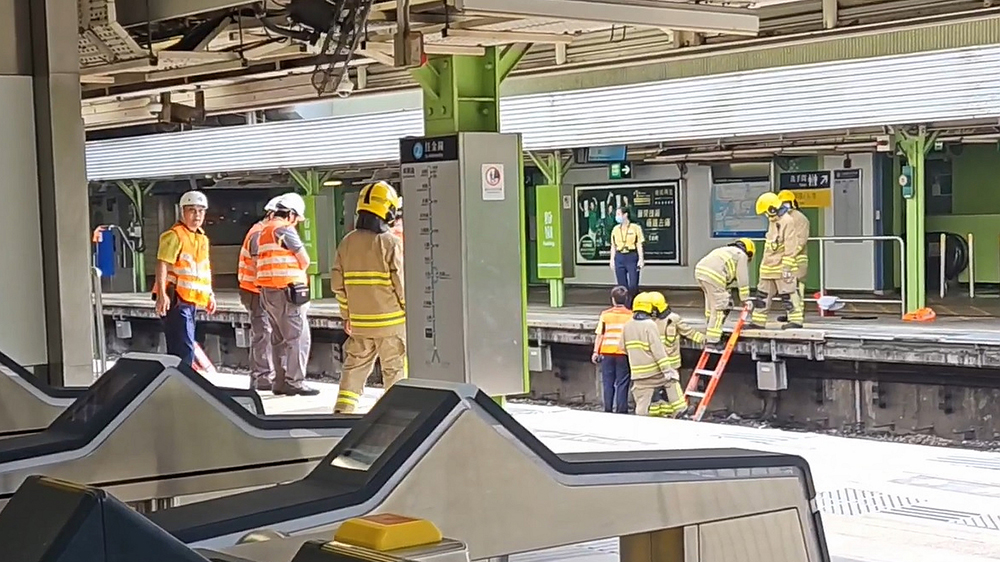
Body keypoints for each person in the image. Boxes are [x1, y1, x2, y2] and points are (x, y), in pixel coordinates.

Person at [331, 181, 405, 414]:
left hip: (361, 323)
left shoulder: (347, 242)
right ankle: (394, 414)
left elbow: (337, 285)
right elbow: (401, 284)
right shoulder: (390, 242)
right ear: (388, 210)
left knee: (354, 369)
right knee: (394, 370)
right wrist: (409, 310)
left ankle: (342, 411)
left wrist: (348, 315)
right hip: (391, 323)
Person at [255, 193, 319, 396]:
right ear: (291, 214)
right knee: (298, 338)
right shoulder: (284, 229)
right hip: (287, 292)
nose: (296, 223)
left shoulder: (264, 230)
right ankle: (296, 382)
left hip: (268, 292)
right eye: (296, 219)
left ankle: (280, 382)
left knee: (278, 338)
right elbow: (305, 259)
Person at [152, 190, 216, 367]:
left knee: (185, 346)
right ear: (182, 212)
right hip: (176, 299)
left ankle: (181, 382)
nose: (197, 215)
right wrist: (162, 294)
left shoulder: (201, 238)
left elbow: (203, 268)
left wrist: (210, 294)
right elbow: (162, 263)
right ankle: (182, 384)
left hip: (192, 300)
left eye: (201, 211)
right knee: (183, 349)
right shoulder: (174, 235)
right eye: (192, 210)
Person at [237, 195, 282, 391]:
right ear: (270, 214)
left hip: (256, 289)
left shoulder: (260, 231)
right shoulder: (258, 234)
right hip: (255, 291)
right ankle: (262, 377)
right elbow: (258, 264)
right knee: (263, 332)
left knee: (263, 332)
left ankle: (261, 376)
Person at [749, 192, 804, 329]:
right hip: (768, 266)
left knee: (788, 294)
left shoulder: (787, 221)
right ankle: (758, 321)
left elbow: (790, 245)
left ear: (772, 208)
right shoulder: (773, 221)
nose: (766, 215)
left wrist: (787, 267)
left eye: (766, 212)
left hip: (781, 266)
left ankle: (796, 320)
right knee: (762, 295)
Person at [622, 292, 679, 417]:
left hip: (637, 374)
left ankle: (641, 424)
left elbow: (622, 347)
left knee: (642, 403)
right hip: (653, 372)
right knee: (672, 381)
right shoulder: (650, 325)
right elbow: (658, 350)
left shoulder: (627, 325)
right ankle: (680, 410)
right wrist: (667, 370)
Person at [694, 239, 756, 345]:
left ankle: (712, 329)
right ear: (749, 252)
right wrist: (745, 298)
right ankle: (713, 340)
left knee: (711, 304)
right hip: (715, 275)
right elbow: (742, 278)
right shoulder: (741, 255)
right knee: (720, 308)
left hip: (700, 272)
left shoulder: (726, 250)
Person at [591, 286, 632, 414]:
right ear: (626, 299)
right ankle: (621, 409)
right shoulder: (630, 315)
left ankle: (608, 408)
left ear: (613, 300)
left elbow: (600, 334)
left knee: (608, 382)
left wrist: (595, 352)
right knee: (622, 382)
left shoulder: (605, 315)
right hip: (622, 353)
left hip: (606, 351)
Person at [776, 190, 810, 320]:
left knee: (796, 286)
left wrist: (791, 254)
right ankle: (791, 312)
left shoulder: (800, 218)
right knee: (787, 287)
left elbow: (801, 239)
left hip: (797, 258)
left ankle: (797, 314)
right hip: (785, 258)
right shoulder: (781, 218)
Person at [608, 205, 645, 306]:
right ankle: (625, 305)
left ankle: (634, 303)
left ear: (626, 215)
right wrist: (612, 260)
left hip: (632, 256)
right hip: (620, 257)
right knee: (622, 285)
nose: (617, 216)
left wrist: (641, 259)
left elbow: (639, 244)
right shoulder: (615, 229)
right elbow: (613, 246)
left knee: (633, 284)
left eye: (619, 214)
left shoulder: (635, 228)